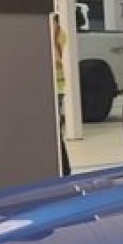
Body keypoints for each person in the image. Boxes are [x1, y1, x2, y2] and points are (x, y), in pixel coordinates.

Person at [53, 14, 71, 176]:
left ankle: (64, 171)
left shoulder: (55, 31)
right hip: (57, 87)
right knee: (57, 132)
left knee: (56, 133)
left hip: (55, 88)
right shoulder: (59, 32)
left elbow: (55, 58)